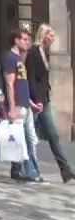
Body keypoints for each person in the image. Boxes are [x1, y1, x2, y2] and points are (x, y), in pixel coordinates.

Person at [0, 28, 42, 182]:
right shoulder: (10, 58)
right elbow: (10, 84)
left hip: (24, 104)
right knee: (15, 138)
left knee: (21, 138)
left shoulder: (19, 58)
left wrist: (30, 102)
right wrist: (12, 107)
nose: (28, 43)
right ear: (16, 40)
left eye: (28, 40)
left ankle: (15, 170)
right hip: (17, 105)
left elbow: (22, 83)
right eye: (25, 39)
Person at [26, 24, 72, 183]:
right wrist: (35, 100)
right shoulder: (33, 52)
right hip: (36, 101)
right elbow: (31, 78)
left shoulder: (44, 52)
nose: (53, 38)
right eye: (50, 35)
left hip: (44, 100)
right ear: (43, 35)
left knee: (52, 135)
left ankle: (65, 170)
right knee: (26, 136)